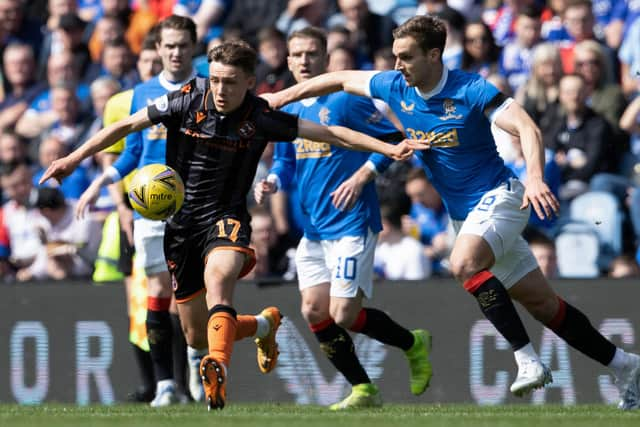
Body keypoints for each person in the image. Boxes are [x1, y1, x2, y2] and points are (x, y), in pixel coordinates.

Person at [263, 15, 640, 410]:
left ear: (434, 54)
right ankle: (624, 364)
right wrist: (281, 98)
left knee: (462, 262)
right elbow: (338, 79)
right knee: (543, 304)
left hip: (501, 196)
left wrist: (533, 177)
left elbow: (527, 128)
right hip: (466, 216)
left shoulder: (470, 89)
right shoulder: (394, 86)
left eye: (406, 57)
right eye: (394, 56)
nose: (396, 66)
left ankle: (527, 360)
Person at [39, 39, 412, 411]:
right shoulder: (186, 98)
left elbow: (331, 134)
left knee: (219, 281)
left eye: (230, 82)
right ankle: (262, 327)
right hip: (181, 226)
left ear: (250, 82)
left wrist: (387, 149)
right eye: (215, 79)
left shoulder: (261, 115)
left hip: (227, 218)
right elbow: (126, 124)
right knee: (194, 335)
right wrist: (73, 158)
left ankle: (217, 368)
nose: (220, 89)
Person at [254, 27, 432, 410]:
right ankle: (364, 389)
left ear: (326, 59)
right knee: (314, 310)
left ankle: (413, 343)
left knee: (343, 313)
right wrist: (271, 180)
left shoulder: (346, 100)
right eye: (297, 54)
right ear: (287, 60)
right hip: (314, 228)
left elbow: (392, 141)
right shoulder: (288, 107)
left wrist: (362, 175)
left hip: (352, 222)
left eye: (311, 53)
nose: (304, 61)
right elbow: (286, 162)